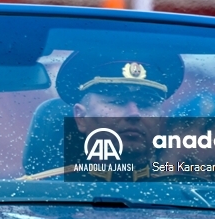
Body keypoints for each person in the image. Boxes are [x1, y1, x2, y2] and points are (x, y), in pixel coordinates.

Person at [50, 50, 185, 181]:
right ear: (81, 118)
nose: (134, 114)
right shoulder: (46, 195)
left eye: (145, 105)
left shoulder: (184, 196)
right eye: (117, 102)